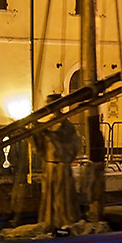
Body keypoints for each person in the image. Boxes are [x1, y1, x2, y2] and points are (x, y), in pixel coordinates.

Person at [39, 96, 81, 229]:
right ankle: (51, 223)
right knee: (49, 199)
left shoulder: (66, 125)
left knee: (63, 199)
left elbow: (68, 144)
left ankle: (64, 223)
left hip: (61, 167)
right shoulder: (49, 123)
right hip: (50, 167)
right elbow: (41, 145)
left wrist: (48, 134)